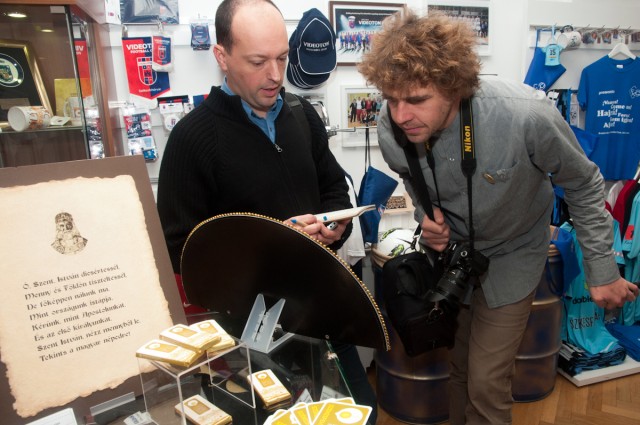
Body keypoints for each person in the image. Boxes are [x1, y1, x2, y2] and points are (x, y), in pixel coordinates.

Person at [358, 9, 639, 425]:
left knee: (487, 383)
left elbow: (583, 182)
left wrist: (601, 269)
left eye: (416, 100)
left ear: (454, 87)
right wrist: (426, 216)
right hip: (454, 258)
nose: (400, 116)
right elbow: (412, 178)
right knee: (459, 368)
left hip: (514, 254)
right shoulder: (391, 126)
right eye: (392, 99)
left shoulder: (526, 115)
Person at [156, 0, 377, 422]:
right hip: (248, 335)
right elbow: (180, 249)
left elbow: (333, 186)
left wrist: (336, 227)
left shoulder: (302, 114)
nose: (275, 75)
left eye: (282, 58)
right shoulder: (191, 139)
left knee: (361, 413)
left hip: (322, 311)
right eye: (258, 62)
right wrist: (275, 241)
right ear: (222, 56)